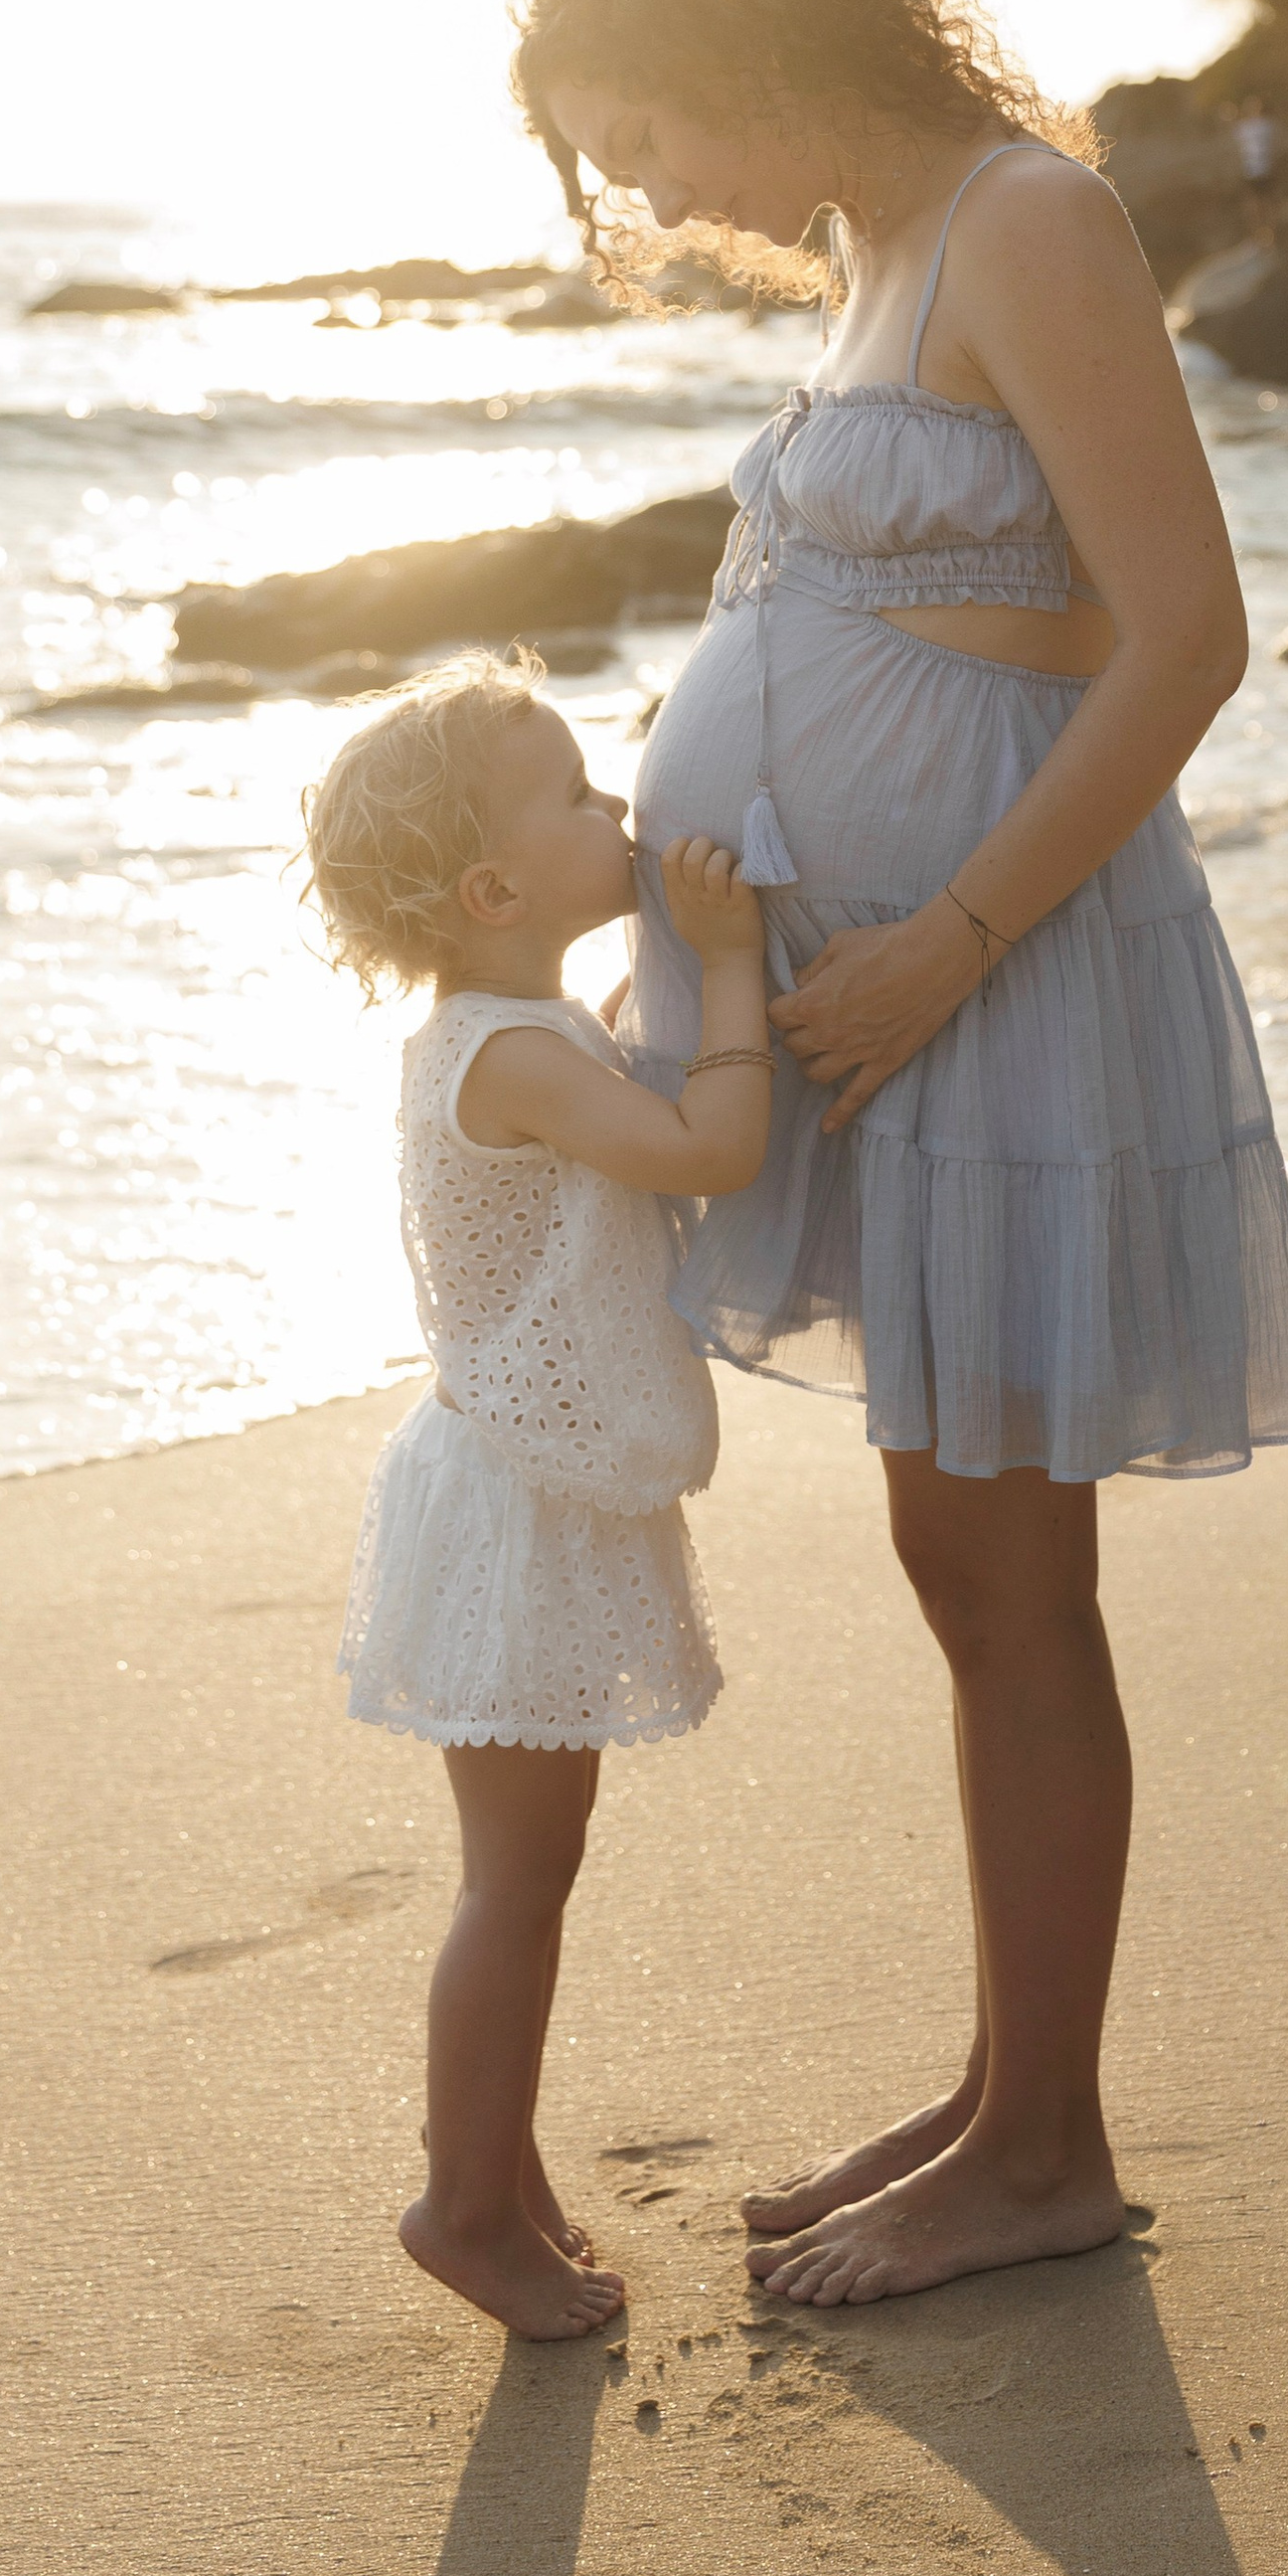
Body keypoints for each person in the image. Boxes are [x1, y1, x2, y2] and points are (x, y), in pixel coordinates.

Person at [511, 0, 1288, 2310]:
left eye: (647, 133)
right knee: (959, 1555)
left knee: (1004, 1564)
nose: (653, 198)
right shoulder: (886, 247)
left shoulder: (1024, 219)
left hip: (998, 979)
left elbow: (1180, 634)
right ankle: (1002, 2091)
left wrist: (950, 938)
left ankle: (1048, 2142)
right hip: (880, 1001)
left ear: (758, 40)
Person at [302, 652, 771, 2339]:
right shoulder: (512, 1056)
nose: (618, 809)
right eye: (578, 794)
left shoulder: (525, 1029)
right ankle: (464, 2204)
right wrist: (729, 971)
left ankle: (500, 2167)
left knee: (528, 1867)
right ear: (495, 886)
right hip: (514, 1502)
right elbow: (709, 1148)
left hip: (517, 1482)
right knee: (518, 1878)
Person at [1234, 94, 1282, 234]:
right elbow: (1238, 151)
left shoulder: (1267, 126)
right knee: (1253, 204)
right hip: (1250, 171)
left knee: (1269, 202)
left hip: (1266, 169)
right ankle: (1257, 234)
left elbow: (1276, 146)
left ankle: (1272, 233)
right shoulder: (1242, 128)